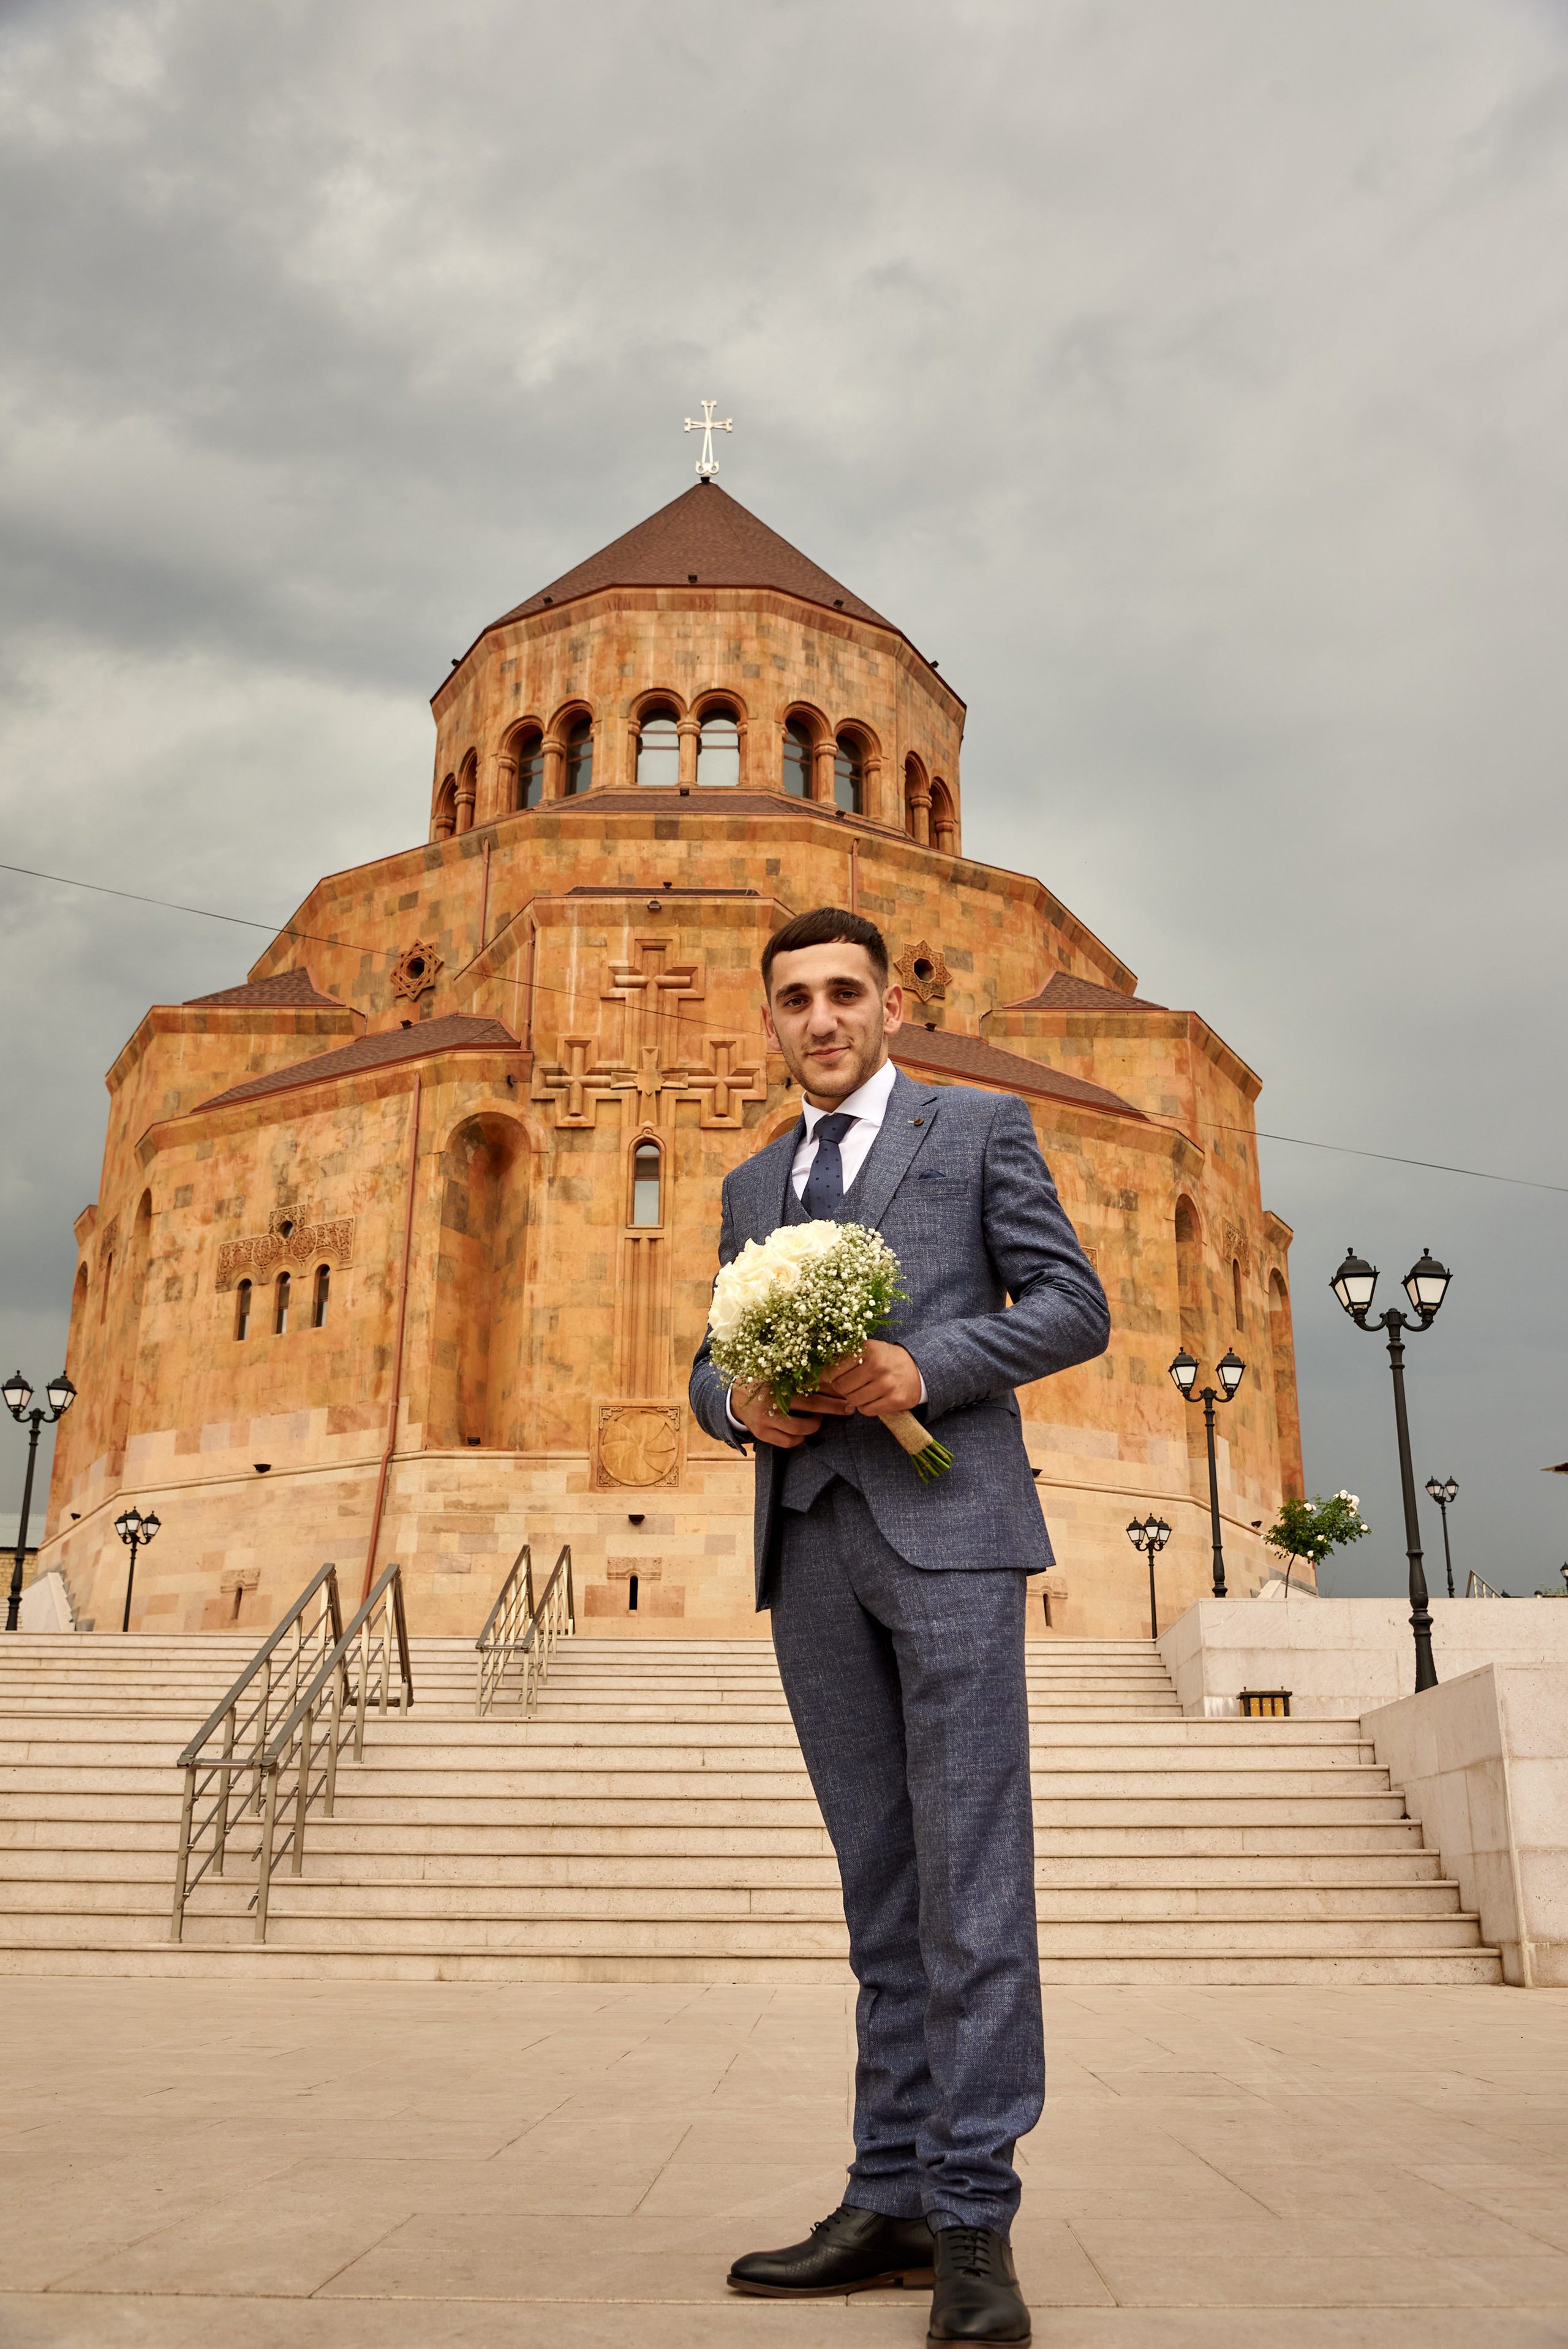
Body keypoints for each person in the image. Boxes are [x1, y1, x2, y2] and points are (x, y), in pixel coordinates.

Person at [689, 906, 1110, 2345]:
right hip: (808, 1544)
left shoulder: (977, 1129)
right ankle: (886, 2195)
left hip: (947, 1537)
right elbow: (705, 1358)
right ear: (771, 1019)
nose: (820, 1019)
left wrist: (920, 1363)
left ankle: (974, 2216)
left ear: (888, 1005)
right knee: (877, 1887)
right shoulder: (751, 1182)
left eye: (843, 994)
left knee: (969, 1885)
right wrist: (732, 1403)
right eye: (794, 999)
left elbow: (1069, 1306)